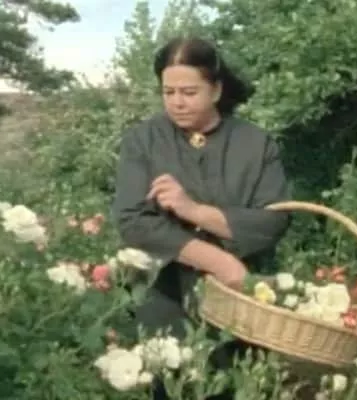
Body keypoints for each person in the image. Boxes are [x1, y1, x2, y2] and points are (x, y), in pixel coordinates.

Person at [111, 37, 293, 399]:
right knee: (172, 385)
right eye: (168, 92)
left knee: (235, 385)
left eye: (189, 92)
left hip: (242, 300)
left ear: (216, 90)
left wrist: (193, 211)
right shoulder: (144, 140)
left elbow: (274, 220)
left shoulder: (256, 144)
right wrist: (218, 260)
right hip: (164, 296)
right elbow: (133, 220)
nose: (177, 102)